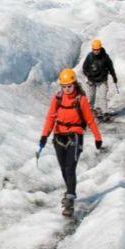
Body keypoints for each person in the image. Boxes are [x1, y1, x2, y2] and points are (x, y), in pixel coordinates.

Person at [39, 69, 102, 219]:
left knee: (70, 167)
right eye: (64, 86)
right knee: (63, 168)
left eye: (69, 86)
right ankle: (69, 192)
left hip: (75, 135)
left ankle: (70, 199)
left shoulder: (81, 100)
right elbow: (50, 117)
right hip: (59, 136)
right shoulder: (58, 98)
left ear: (74, 84)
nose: (67, 89)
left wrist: (97, 137)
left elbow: (89, 119)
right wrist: (44, 135)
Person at [81, 39, 118, 118]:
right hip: (91, 80)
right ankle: (89, 111)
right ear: (92, 49)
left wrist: (114, 76)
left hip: (102, 80)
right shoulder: (89, 57)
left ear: (100, 48)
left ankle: (105, 113)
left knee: (102, 97)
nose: (96, 51)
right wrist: (88, 75)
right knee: (90, 96)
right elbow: (84, 68)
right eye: (95, 49)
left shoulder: (105, 57)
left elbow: (110, 67)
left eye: (98, 49)